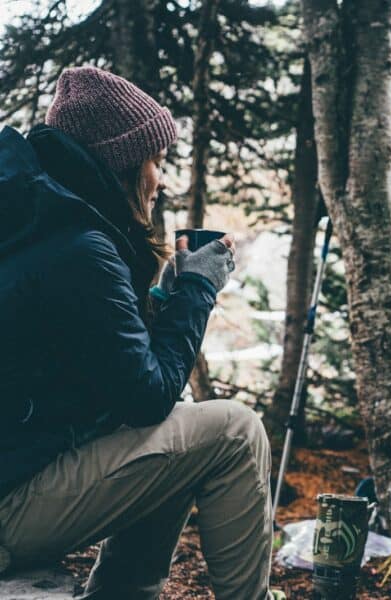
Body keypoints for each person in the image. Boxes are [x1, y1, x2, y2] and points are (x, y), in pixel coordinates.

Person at [0, 66, 275, 599]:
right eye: (156, 161)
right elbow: (145, 397)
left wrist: (161, 300)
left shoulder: (39, 223)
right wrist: (197, 290)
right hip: (11, 505)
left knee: (182, 432)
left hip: (15, 470)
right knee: (234, 432)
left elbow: (99, 365)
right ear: (120, 162)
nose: (161, 179)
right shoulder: (80, 246)